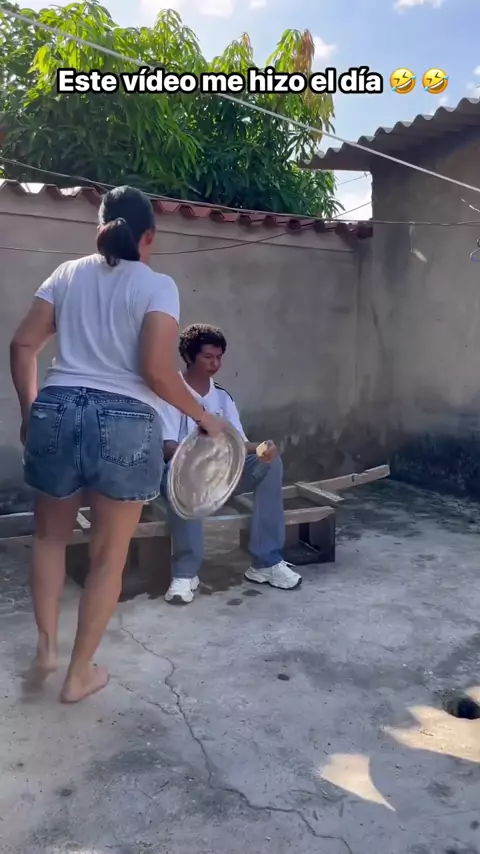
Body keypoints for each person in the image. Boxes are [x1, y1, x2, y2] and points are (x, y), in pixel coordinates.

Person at [9, 187, 226, 703]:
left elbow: (22, 344)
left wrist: (30, 412)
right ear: (149, 236)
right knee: (108, 556)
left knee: (50, 540)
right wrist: (204, 417)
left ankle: (46, 652)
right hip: (126, 419)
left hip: (57, 407)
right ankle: (78, 674)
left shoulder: (66, 274)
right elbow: (155, 371)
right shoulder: (157, 286)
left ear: (100, 228)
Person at [159, 323, 302, 604]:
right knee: (189, 475)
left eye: (219, 357)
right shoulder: (170, 394)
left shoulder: (222, 397)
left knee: (270, 463)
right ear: (188, 356)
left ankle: (266, 562)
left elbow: (239, 443)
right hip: (181, 475)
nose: (215, 364)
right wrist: (201, 454)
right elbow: (166, 448)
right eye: (207, 357)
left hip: (222, 475)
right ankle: (186, 573)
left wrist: (262, 447)